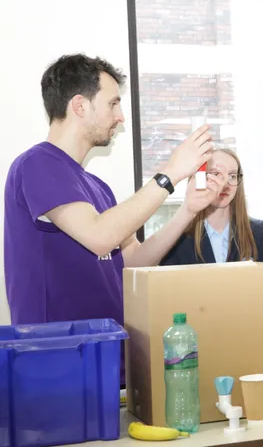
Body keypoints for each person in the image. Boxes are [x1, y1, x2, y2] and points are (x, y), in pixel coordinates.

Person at [3, 53, 225, 328]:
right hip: (59, 358)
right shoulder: (37, 164)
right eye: (113, 104)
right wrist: (170, 173)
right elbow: (100, 236)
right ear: (80, 105)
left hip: (106, 353)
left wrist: (187, 210)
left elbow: (133, 262)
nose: (120, 117)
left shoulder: (98, 188)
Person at [161, 147, 263, 265]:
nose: (225, 184)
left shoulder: (258, 232)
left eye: (232, 176)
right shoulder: (178, 236)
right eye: (215, 174)